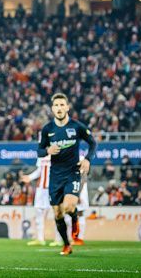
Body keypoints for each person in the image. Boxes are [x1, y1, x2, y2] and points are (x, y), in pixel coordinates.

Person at [37, 93, 97, 256]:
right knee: (57, 213)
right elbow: (39, 151)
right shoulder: (47, 129)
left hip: (72, 172)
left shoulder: (77, 126)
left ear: (67, 107)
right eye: (56, 105)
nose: (59, 108)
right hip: (55, 175)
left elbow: (93, 143)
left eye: (62, 105)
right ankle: (66, 245)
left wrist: (87, 159)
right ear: (52, 109)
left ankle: (75, 216)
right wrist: (48, 150)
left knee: (69, 206)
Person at [21, 154, 51, 246]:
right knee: (38, 211)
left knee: (57, 213)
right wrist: (29, 177)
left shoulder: (59, 153)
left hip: (53, 188)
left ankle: (60, 239)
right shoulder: (42, 156)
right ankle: (40, 238)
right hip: (41, 188)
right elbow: (39, 171)